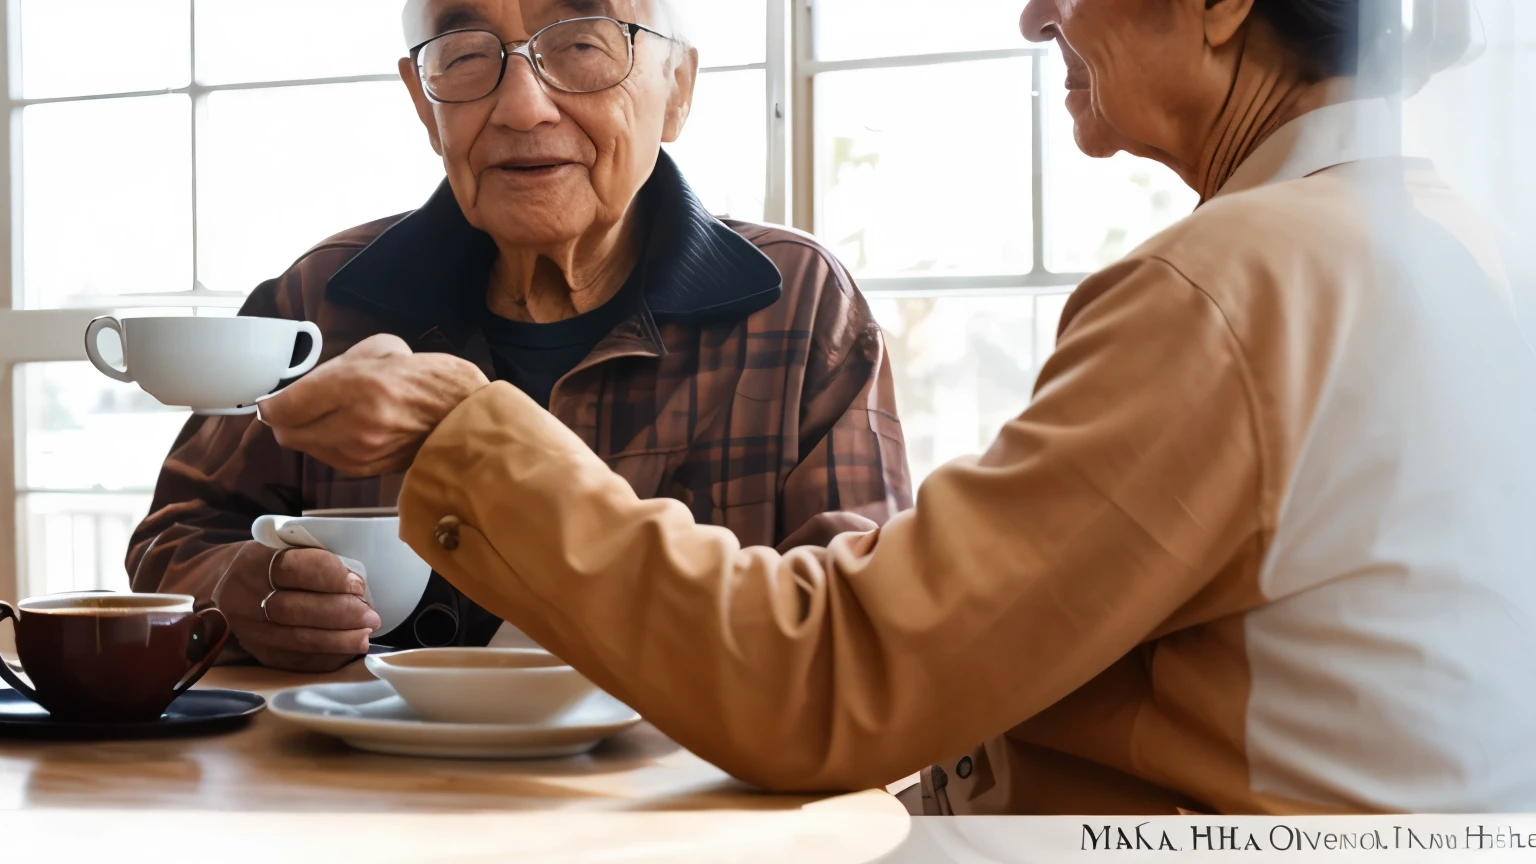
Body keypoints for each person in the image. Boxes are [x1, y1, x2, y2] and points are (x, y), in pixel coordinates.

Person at [260, 0, 1536, 814]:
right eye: (470, 54)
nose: (1037, 16)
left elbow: (826, 687)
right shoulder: (1449, 238)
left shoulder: (1234, 285)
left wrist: (460, 420)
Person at [127, 0, 911, 673]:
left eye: (580, 43)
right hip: (377, 812)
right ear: (422, 102)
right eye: (468, 56)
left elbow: (854, 628)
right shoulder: (322, 304)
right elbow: (177, 535)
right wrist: (239, 586)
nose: (522, 107)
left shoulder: (797, 303)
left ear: (678, 88)